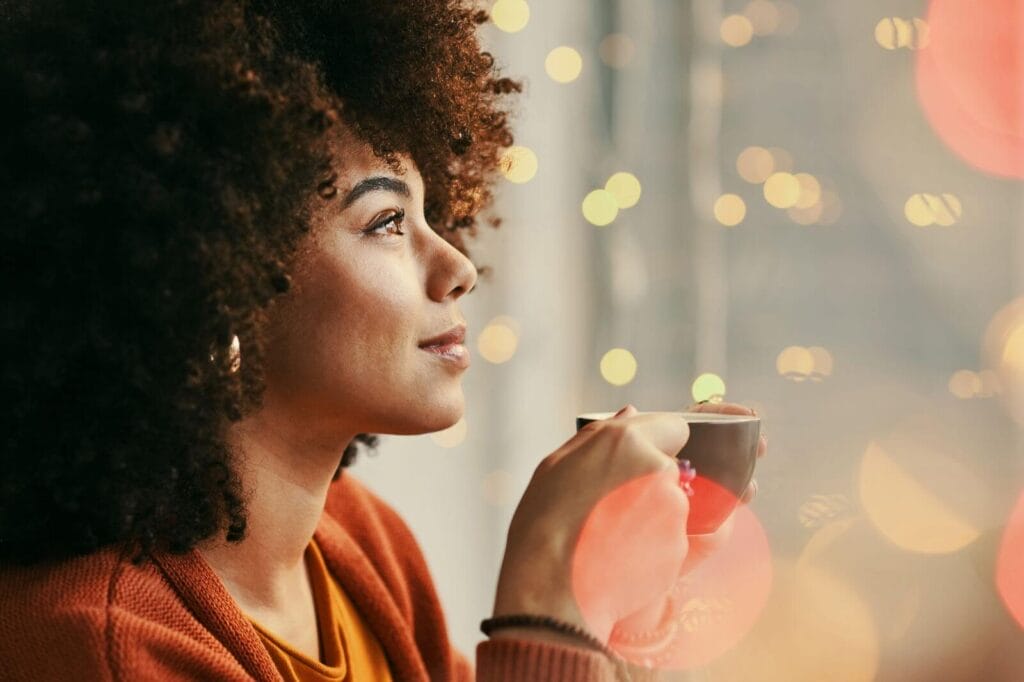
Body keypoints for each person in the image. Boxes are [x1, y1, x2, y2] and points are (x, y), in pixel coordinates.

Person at [0, 1, 765, 680]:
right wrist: (542, 601)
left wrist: (608, 599)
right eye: (387, 222)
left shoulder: (358, 544)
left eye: (431, 215)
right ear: (207, 276)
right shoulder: (98, 646)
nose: (459, 266)